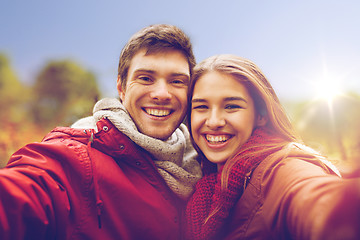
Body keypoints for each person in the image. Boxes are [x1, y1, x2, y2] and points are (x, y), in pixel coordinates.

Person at [0, 24, 202, 240]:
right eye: (145, 78)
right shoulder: (79, 157)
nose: (162, 94)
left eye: (177, 81)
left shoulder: (204, 161)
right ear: (121, 87)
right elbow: (23, 193)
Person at [184, 54, 360, 240]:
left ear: (261, 115)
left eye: (231, 106)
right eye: (201, 107)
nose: (214, 122)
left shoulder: (282, 167)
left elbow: (316, 200)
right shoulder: (203, 182)